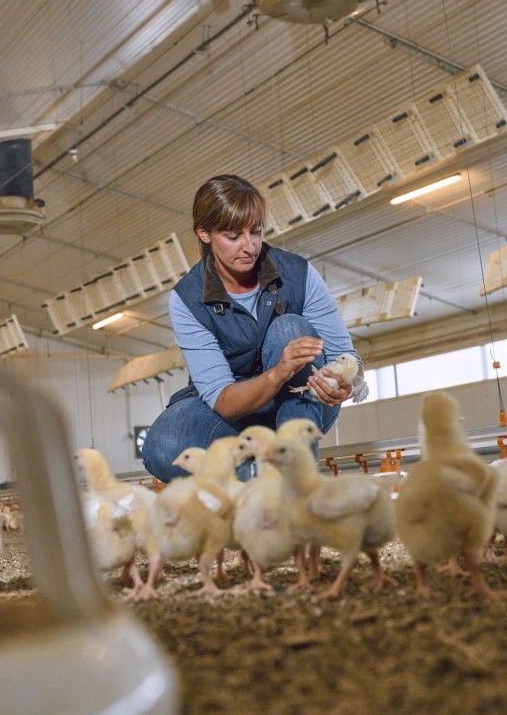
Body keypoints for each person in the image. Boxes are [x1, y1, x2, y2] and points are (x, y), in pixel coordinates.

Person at [140, 174, 367, 483]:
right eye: (233, 236)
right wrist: (277, 373)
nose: (249, 246)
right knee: (164, 445)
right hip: (235, 413)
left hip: (299, 406)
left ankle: (296, 485)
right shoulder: (187, 299)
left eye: (256, 232)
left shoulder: (298, 274)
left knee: (289, 329)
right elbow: (222, 400)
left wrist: (345, 383)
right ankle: (255, 482)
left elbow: (347, 358)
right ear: (204, 233)